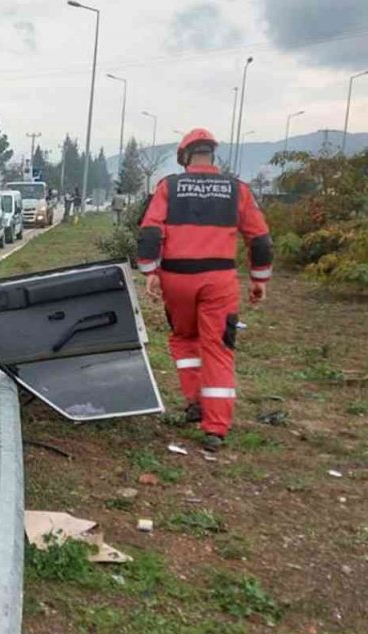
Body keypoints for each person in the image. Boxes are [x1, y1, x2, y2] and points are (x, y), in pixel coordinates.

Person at [138, 128, 273, 453]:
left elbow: (150, 232)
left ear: (185, 157)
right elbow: (260, 238)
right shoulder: (236, 189)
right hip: (219, 280)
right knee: (218, 348)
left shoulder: (168, 186)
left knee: (184, 339)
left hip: (177, 279)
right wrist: (259, 280)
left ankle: (195, 402)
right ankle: (215, 428)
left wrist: (150, 272)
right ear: (212, 154)